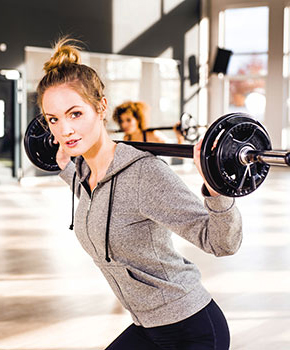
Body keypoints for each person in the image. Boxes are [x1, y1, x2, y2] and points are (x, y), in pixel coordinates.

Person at [36, 37, 242, 350]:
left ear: (100, 107)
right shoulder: (84, 174)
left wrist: (218, 190)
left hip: (191, 329)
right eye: (54, 119)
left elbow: (222, 243)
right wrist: (66, 168)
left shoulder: (144, 174)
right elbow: (101, 202)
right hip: (146, 328)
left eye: (75, 114)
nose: (64, 130)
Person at [112, 100, 185, 144]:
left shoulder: (154, 135)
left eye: (128, 120)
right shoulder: (127, 138)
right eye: (121, 121)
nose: (124, 125)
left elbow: (179, 154)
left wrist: (179, 137)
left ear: (138, 119)